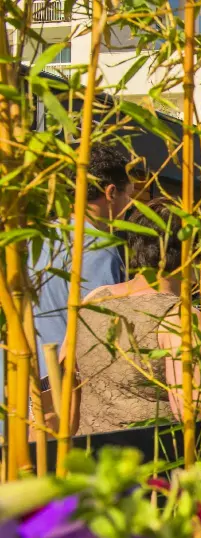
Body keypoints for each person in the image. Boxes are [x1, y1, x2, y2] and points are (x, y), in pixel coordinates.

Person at [56, 198, 198, 435]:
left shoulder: (95, 299)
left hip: (87, 449)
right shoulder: (180, 317)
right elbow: (191, 411)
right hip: (152, 453)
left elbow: (66, 374)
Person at [32, 142, 133, 389]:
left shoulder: (38, 238)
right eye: (129, 195)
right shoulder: (98, 248)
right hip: (60, 388)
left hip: (21, 382)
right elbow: (102, 335)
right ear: (111, 192)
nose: (130, 204)